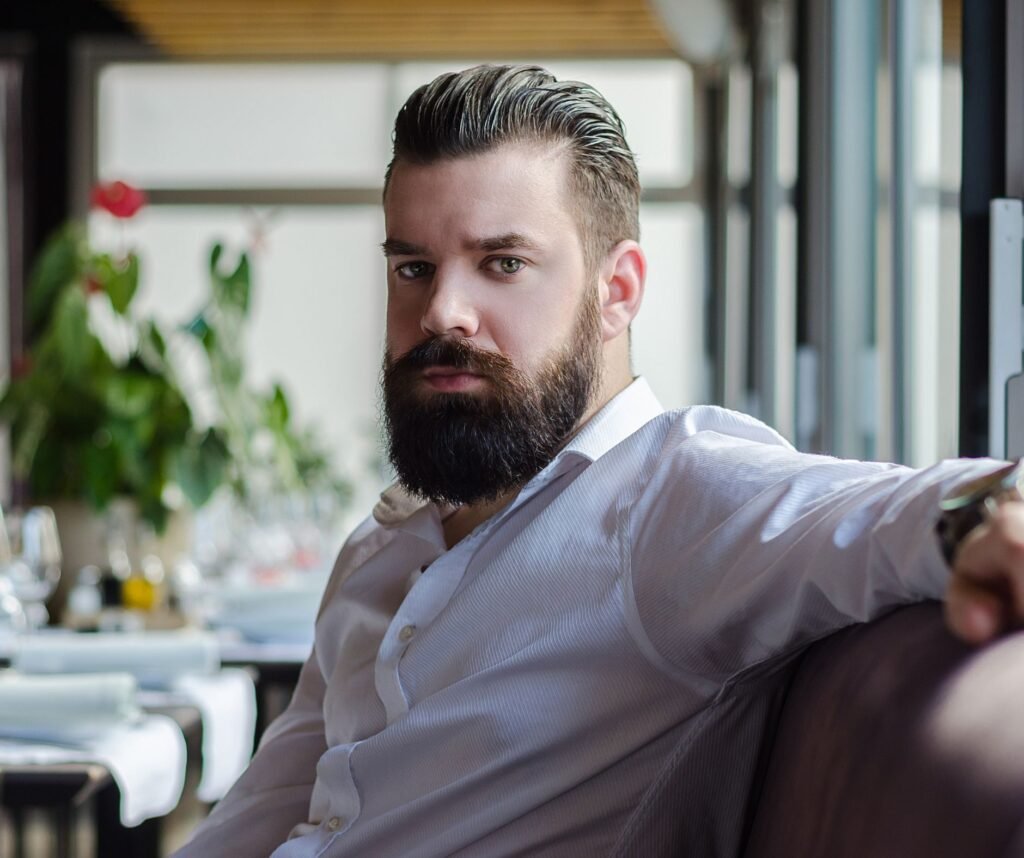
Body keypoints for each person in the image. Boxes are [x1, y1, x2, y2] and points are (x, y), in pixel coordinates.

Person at [175, 64, 1024, 857]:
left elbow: (875, 512)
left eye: (502, 263)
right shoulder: (383, 544)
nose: (443, 312)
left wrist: (983, 521)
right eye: (413, 267)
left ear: (617, 292)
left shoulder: (668, 505)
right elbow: (267, 808)